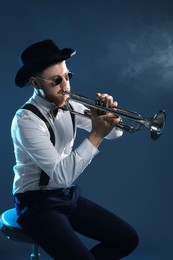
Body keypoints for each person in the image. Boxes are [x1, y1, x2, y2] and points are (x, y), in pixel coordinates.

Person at [11, 39, 139, 260]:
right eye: (57, 80)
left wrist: (107, 117)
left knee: (128, 239)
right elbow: (61, 176)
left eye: (67, 77)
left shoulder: (69, 105)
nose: (66, 86)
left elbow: (116, 133)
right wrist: (97, 134)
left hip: (66, 195)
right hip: (36, 203)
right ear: (35, 83)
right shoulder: (26, 120)